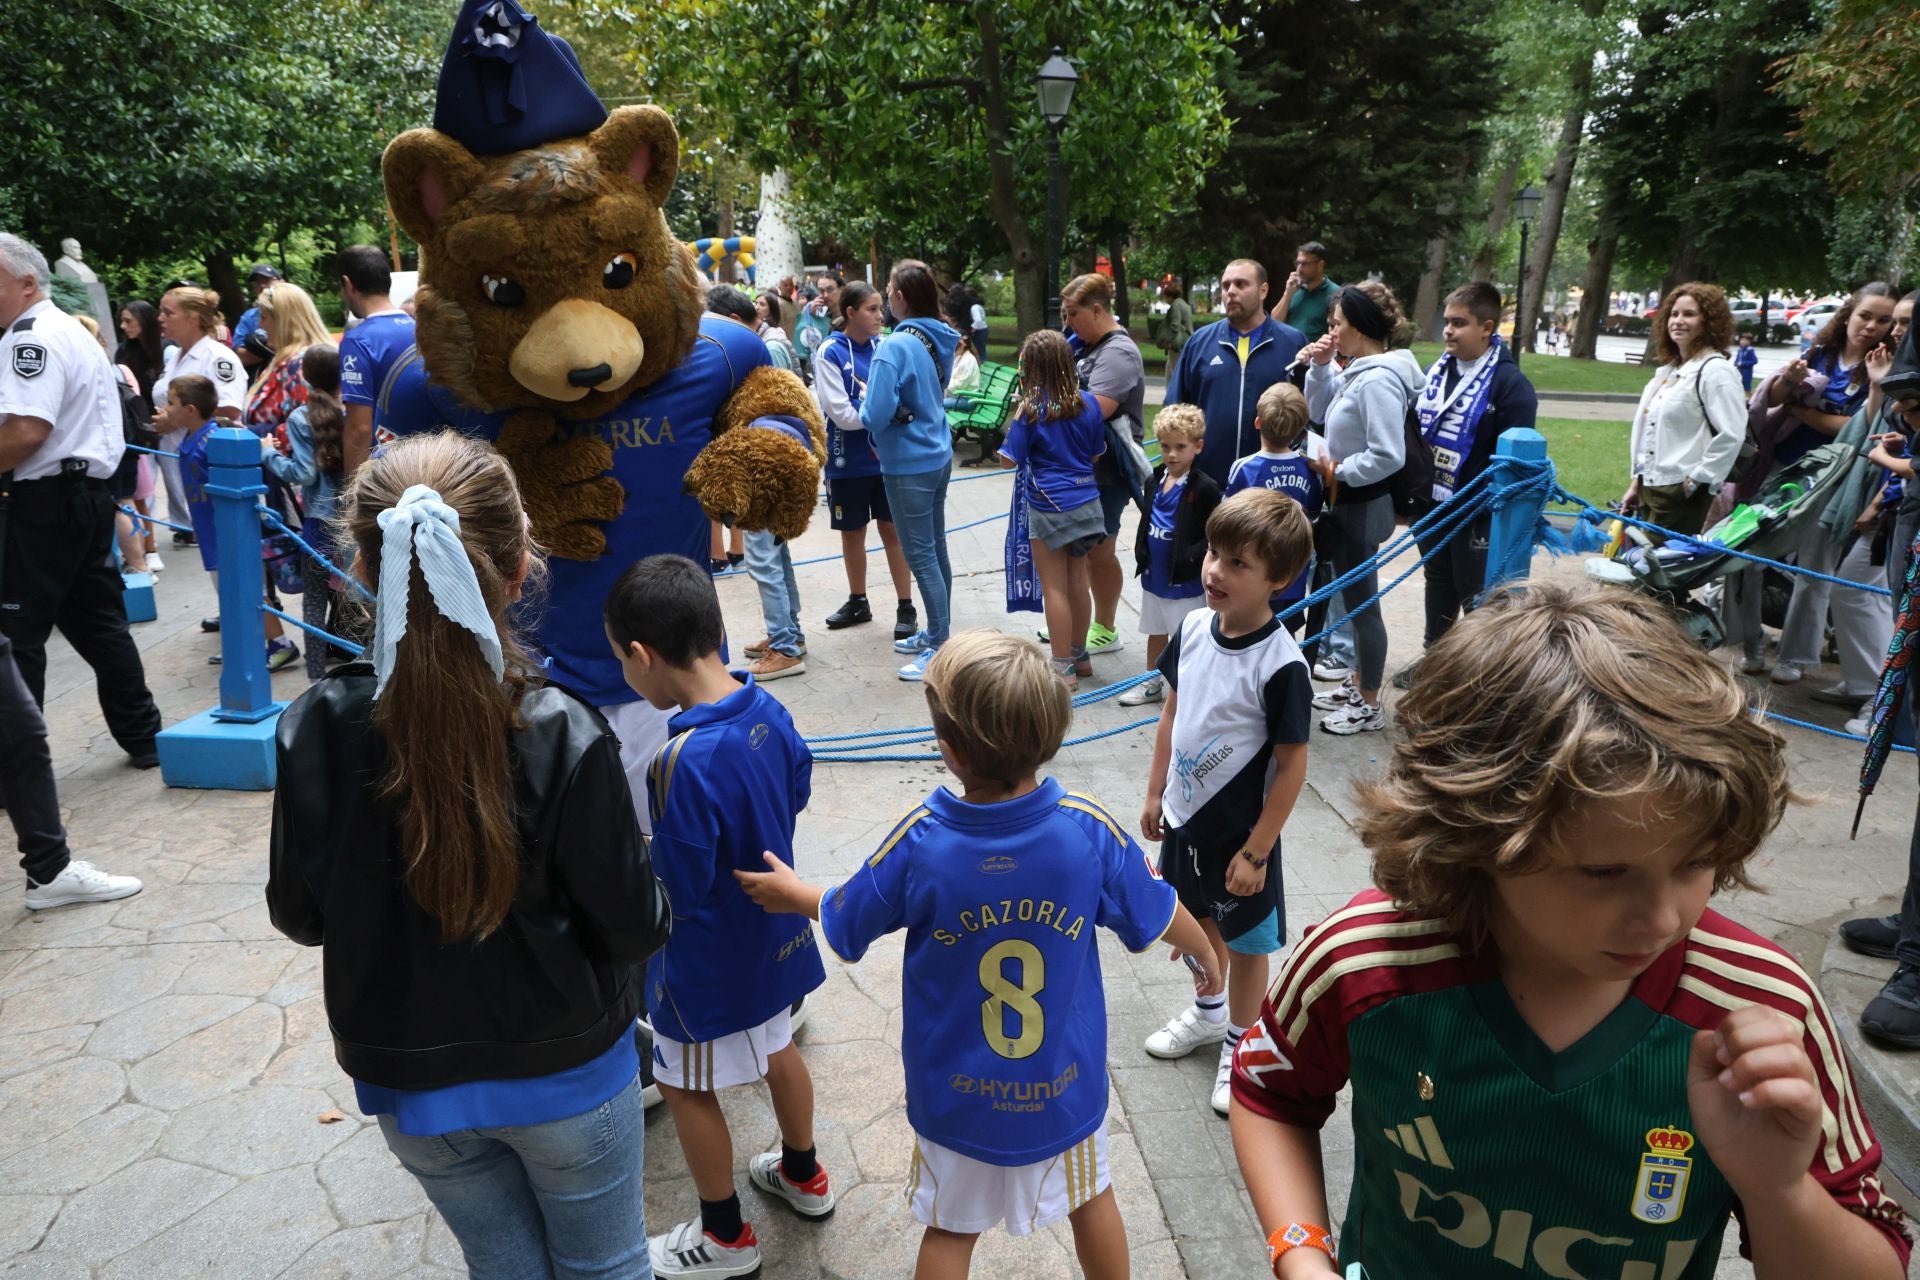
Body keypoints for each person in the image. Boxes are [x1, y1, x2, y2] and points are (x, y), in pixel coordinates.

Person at [1228, 582, 1912, 1280]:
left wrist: (1780, 1190)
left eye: (1697, 860)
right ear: (1479, 834)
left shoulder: (1762, 1009)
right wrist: (1301, 1253)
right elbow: (1271, 1093)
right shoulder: (1364, 960)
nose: (1664, 918)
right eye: (1604, 872)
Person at [267, 431, 669, 1280]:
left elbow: (300, 914)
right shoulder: (563, 731)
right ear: (518, 569)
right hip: (569, 1074)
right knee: (608, 1266)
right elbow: (633, 928)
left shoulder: (315, 728)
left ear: (368, 572)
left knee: (502, 1268)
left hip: (409, 1083)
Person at [735, 629, 1224, 1279]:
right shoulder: (1087, 831)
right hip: (1063, 1094)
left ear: (951, 749)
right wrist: (1204, 957)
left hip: (956, 1098)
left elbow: (849, 917)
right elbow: (1162, 910)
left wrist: (792, 892)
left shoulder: (923, 841)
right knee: (1092, 1201)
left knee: (949, 1233)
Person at [602, 554, 832, 1279]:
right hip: (776, 935)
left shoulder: (677, 759)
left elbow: (682, 885)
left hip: (708, 966)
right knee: (776, 1049)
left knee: (681, 1082)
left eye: (621, 663)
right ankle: (803, 1173)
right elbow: (796, 787)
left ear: (642, 657)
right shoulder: (768, 707)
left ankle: (726, 1237)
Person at [1139, 489, 1314, 1115]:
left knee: (1245, 946)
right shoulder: (1189, 629)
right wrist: (1156, 789)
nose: (1215, 570)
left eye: (1238, 563)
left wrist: (1258, 850)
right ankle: (1209, 1012)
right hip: (1184, 825)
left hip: (1242, 840)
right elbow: (1172, 711)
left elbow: (1293, 764)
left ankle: (1243, 1043)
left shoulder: (1282, 664)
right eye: (1215, 553)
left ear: (1280, 579)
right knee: (1194, 930)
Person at [0, 232, 163, 772]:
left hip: (45, 501)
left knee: (18, 636)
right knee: (98, 624)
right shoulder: (66, 331)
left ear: (25, 283)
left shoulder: (31, 337)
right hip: (83, 497)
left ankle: (17, 770)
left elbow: (25, 432)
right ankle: (143, 737)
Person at [1738, 283, 1897, 678]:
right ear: (1848, 315)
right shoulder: (1819, 354)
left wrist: (1803, 411)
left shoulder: (1885, 367)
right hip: (1783, 470)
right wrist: (1789, 384)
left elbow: (1859, 426)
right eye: (1865, 316)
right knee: (1746, 558)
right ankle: (1749, 639)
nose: (1871, 326)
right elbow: (1773, 398)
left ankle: (1794, 657)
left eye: (1883, 320)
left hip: (1832, 479)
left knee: (1814, 569)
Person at [1400, 282, 1541, 680]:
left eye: (1459, 323)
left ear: (1487, 327)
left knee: (1476, 593)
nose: (1448, 331)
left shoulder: (1511, 386)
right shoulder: (1436, 372)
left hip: (1475, 512)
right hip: (1431, 504)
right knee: (1437, 580)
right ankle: (1436, 661)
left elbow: (1515, 465)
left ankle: (1477, 674)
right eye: (1446, 322)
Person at [1301, 282, 1422, 735]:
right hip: (1345, 501)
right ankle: (1357, 685)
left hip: (1361, 505)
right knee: (1351, 604)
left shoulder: (1378, 379)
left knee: (1363, 606)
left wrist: (1338, 469)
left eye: (1338, 324)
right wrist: (1318, 366)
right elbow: (1319, 408)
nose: (1332, 332)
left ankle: (1368, 701)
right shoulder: (1356, 370)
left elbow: (1389, 454)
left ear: (1361, 325)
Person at [859, 259, 960, 682]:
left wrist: (867, 403)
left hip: (908, 463)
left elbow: (874, 413)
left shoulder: (895, 346)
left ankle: (938, 643)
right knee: (935, 547)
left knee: (920, 554)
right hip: (937, 453)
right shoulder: (940, 337)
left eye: (888, 291)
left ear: (900, 298)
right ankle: (939, 633)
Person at [704, 285, 808, 680]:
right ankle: (789, 635)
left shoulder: (763, 349)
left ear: (731, 322)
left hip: (768, 466)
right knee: (776, 556)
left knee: (763, 559)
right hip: (773, 461)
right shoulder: (765, 344)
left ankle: (785, 646)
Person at [999, 329, 1108, 688]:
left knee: (1054, 588)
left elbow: (1007, 460)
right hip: (1088, 502)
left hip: (1047, 504)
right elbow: (1095, 453)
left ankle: (1062, 667)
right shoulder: (1090, 403)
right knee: (1079, 580)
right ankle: (1081, 655)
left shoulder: (1031, 410)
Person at [813, 280, 916, 640]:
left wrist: (882, 410)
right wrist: (884, 412)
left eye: (880, 307)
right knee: (852, 533)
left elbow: (903, 397)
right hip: (846, 461)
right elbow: (841, 414)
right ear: (850, 313)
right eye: (871, 309)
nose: (879, 315)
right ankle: (859, 600)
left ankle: (906, 606)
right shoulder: (830, 351)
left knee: (893, 530)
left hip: (887, 460)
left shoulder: (886, 347)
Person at [1061, 272, 1147, 662]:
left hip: (1108, 473)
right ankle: (1076, 619)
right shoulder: (1085, 344)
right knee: (1075, 550)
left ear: (1096, 310)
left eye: (1073, 314)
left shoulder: (1119, 352)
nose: (1068, 324)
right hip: (1081, 469)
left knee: (1099, 550)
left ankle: (1105, 627)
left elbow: (1095, 411)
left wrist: (1048, 405)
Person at [1164, 259, 1306, 487]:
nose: (1231, 292)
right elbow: (1174, 410)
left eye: (1241, 284)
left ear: (1263, 290)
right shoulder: (1200, 343)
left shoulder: (1292, 343)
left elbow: (1309, 413)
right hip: (1206, 484)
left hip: (1269, 486)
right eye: (1225, 285)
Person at [1118, 404, 1220, 707]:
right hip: (1155, 577)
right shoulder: (1155, 478)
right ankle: (1151, 683)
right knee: (1156, 632)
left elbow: (1214, 533)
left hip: (1184, 581)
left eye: (1180, 447)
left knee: (1187, 639)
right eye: (1165, 446)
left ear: (1197, 446)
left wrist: (1193, 556)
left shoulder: (1205, 488)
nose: (1172, 454)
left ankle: (1190, 693)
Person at [264, 344, 348, 681]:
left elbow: (304, 475)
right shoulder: (355, 412)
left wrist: (268, 454)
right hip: (352, 521)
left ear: (305, 378)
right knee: (358, 596)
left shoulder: (300, 417)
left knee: (314, 602)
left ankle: (315, 674)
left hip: (319, 522)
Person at [1225, 382, 1325, 636]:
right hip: (1292, 574)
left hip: (1251, 573)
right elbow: (1313, 511)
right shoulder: (1310, 468)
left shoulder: (1245, 468)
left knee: (1244, 634)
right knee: (1283, 636)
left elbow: (1228, 519)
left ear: (1258, 423)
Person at [151, 285, 244, 544]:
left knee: (225, 555)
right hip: (187, 468)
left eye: (167, 313)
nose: (160, 318)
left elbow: (229, 409)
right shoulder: (176, 356)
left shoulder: (216, 357)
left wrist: (174, 420)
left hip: (212, 468)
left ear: (193, 318)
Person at [335, 246, 415, 476]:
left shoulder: (358, 341)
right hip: (430, 457)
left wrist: (351, 491)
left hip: (387, 467)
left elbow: (359, 427)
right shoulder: (420, 330)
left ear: (347, 284)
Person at [1268, 241, 1339, 343]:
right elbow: (1274, 323)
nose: (1299, 269)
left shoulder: (1335, 293)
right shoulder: (1294, 290)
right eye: (1298, 263)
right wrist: (1287, 294)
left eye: (1305, 264)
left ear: (1320, 265)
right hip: (1289, 352)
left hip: (1316, 355)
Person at [229, 264, 281, 376]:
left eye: (267, 280)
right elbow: (240, 354)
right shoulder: (249, 316)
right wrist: (274, 352)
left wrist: (260, 350)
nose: (262, 285)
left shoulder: (292, 310)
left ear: (281, 282)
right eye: (257, 282)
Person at [794, 272, 840, 379]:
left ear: (841, 289)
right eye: (821, 291)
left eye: (830, 289)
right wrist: (810, 312)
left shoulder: (851, 314)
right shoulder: (821, 311)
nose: (825, 295)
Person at [947, 281, 989, 363]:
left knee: (979, 350)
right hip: (971, 328)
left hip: (973, 329)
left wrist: (972, 329)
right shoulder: (970, 303)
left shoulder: (972, 306)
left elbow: (978, 320)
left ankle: (982, 365)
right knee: (978, 350)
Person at [755, 291, 798, 371]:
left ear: (772, 310)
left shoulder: (773, 343)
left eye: (762, 304)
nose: (756, 307)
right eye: (756, 303)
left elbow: (777, 378)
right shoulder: (759, 330)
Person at [1160, 282, 1194, 357]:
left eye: (1165, 296)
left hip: (1179, 343)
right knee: (1170, 367)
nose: (1165, 299)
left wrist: (1167, 341)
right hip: (1187, 340)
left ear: (1171, 296)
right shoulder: (1182, 303)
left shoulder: (1175, 306)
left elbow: (1175, 325)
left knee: (1174, 367)